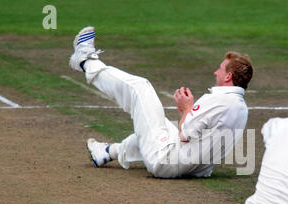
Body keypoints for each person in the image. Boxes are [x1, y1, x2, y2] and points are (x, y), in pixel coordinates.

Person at [69, 26, 253, 178]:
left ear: (228, 76)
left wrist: (186, 108)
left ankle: (85, 61)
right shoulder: (241, 107)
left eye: (220, 69)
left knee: (140, 87)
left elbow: (184, 133)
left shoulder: (220, 100)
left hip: (166, 160)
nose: (215, 72)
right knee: (155, 122)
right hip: (196, 168)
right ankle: (108, 152)